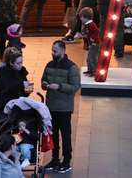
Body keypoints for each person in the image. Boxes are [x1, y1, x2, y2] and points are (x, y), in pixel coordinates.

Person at [40, 40, 81, 173]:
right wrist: (45, 84)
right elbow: (43, 80)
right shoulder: (49, 65)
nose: (53, 53)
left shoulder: (72, 67)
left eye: (55, 51)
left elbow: (75, 87)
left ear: (63, 51)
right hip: (51, 106)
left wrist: (59, 86)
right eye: (52, 50)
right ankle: (55, 159)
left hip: (64, 108)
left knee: (65, 135)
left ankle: (67, 160)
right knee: (53, 135)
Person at [0, 48, 31, 132]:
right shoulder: (3, 72)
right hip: (4, 108)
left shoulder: (21, 71)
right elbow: (6, 87)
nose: (21, 65)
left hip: (17, 108)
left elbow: (22, 92)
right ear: (11, 63)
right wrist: (21, 85)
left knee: (17, 134)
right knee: (5, 135)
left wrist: (27, 90)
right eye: (18, 63)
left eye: (21, 62)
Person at [80, 8, 99, 76]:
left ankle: (94, 71)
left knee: (92, 57)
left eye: (81, 17)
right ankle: (90, 70)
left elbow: (96, 32)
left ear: (85, 17)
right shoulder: (87, 25)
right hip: (91, 44)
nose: (80, 19)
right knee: (89, 58)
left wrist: (92, 39)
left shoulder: (91, 24)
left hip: (94, 44)